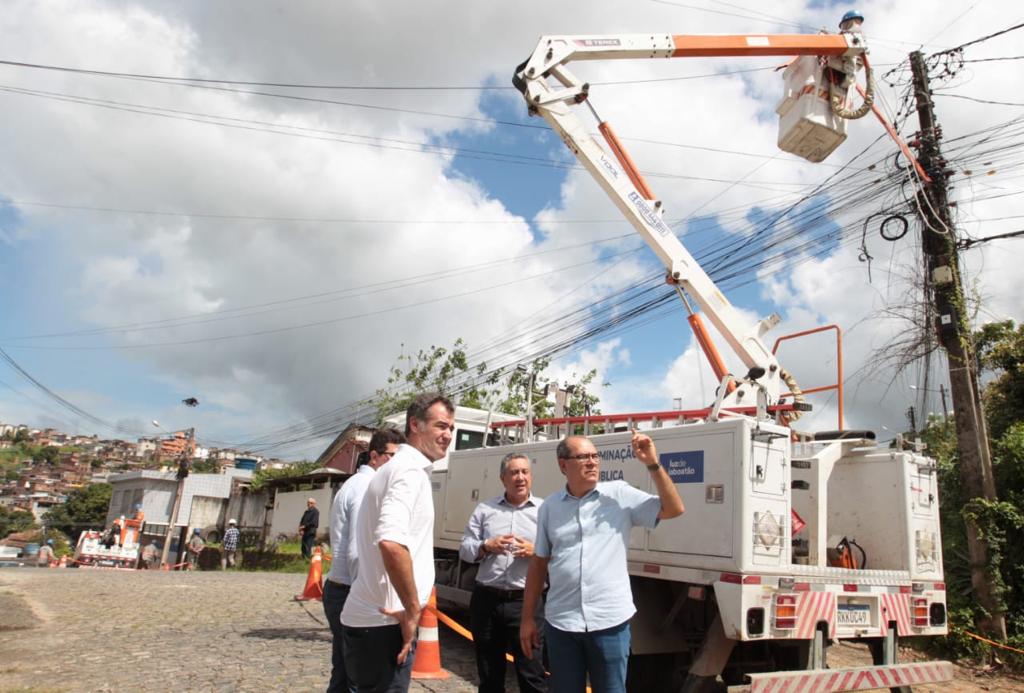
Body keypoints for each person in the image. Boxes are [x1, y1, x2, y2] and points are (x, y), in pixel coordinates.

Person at [520, 432, 685, 693]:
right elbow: (539, 564)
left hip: (609, 623)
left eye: (595, 456)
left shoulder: (618, 494)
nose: (592, 462)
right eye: (583, 457)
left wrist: (652, 463)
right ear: (563, 465)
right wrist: (527, 619)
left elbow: (674, 509)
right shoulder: (550, 507)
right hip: (562, 624)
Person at [341, 393, 455, 693]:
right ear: (414, 425)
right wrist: (411, 611)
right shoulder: (408, 471)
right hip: (385, 624)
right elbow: (391, 542)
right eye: (441, 426)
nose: (448, 435)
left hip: (374, 621)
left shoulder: (397, 468)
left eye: (451, 428)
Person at [324, 428, 406, 693]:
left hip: (343, 588)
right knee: (361, 679)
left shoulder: (356, 484)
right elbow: (358, 551)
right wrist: (368, 596)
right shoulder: (366, 488)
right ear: (374, 455)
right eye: (392, 456)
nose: (397, 464)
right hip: (352, 590)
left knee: (345, 673)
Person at [460, 453, 547, 693]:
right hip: (487, 599)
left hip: (525, 602)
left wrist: (535, 551)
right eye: (514, 472)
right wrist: (486, 546)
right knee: (489, 673)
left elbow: (561, 552)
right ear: (502, 478)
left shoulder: (545, 510)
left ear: (531, 476)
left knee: (532, 672)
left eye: (524, 472)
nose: (520, 477)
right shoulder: (485, 509)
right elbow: (465, 550)